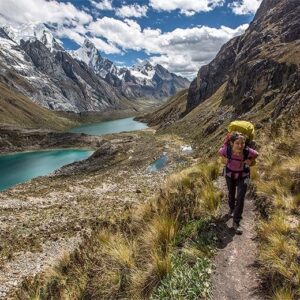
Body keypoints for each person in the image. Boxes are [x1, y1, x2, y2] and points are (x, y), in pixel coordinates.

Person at [219, 132, 258, 233]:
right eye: (237, 143)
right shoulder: (227, 150)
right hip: (229, 175)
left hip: (243, 176)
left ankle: (236, 222)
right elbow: (219, 152)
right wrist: (224, 159)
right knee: (231, 193)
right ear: (232, 143)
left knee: (240, 197)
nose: (240, 146)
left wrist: (251, 161)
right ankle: (231, 209)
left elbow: (256, 154)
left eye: (242, 143)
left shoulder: (246, 151)